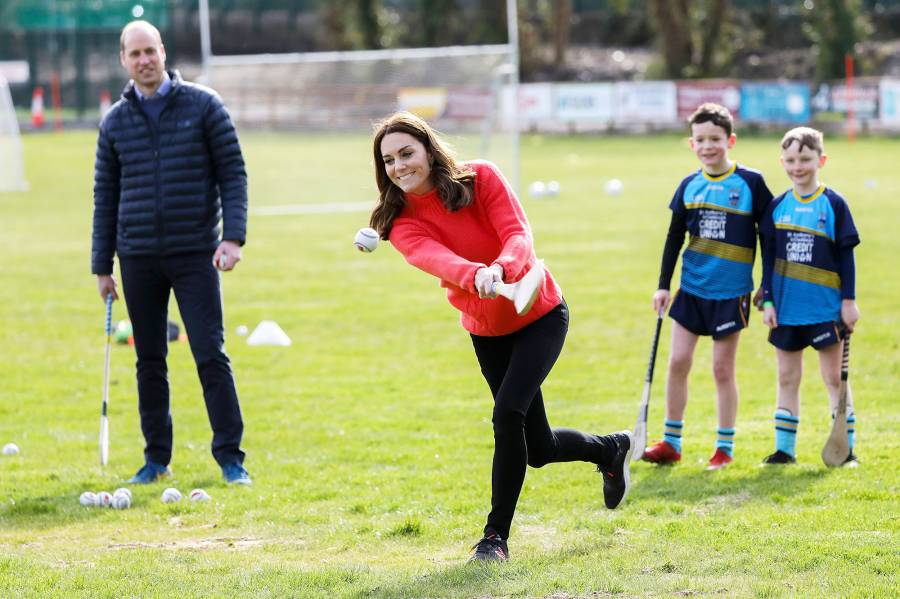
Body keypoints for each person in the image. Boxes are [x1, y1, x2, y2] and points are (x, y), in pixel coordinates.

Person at [369, 112, 632, 563]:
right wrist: (476, 274)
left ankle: (495, 539)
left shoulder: (481, 177)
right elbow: (435, 258)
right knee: (539, 450)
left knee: (507, 413)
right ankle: (609, 449)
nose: (399, 166)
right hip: (487, 330)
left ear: (429, 150)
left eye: (406, 153)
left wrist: (502, 268)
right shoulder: (399, 222)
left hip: (540, 313)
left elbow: (517, 233)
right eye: (389, 160)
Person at [91, 20, 251, 485]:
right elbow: (105, 196)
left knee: (209, 352)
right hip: (137, 256)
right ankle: (156, 459)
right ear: (124, 60)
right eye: (134, 53)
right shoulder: (114, 122)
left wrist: (233, 238)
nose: (144, 60)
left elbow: (233, 175)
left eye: (150, 51)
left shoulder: (203, 105)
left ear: (163, 52)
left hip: (195, 252)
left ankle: (230, 459)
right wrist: (102, 267)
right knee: (149, 362)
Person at [644, 103, 773, 470]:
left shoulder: (750, 183)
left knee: (721, 369)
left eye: (715, 139)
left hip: (731, 295)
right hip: (692, 290)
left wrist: (766, 286)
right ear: (691, 144)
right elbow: (673, 238)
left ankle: (724, 446)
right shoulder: (689, 185)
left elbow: (769, 238)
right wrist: (663, 286)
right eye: (700, 139)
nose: (708, 146)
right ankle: (670, 442)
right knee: (678, 362)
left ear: (730, 140)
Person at [759, 127, 860, 465]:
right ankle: (784, 449)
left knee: (833, 378)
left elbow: (847, 256)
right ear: (782, 161)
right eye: (790, 160)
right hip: (786, 309)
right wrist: (768, 300)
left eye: (805, 159)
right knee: (787, 377)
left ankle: (845, 449)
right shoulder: (776, 207)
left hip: (825, 308)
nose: (797, 166)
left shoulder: (833, 203)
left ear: (821, 159)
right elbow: (768, 258)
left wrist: (849, 301)